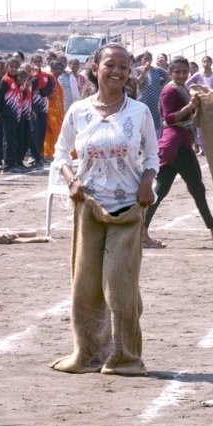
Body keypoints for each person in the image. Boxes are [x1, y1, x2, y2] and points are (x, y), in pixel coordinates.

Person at [49, 43, 159, 376]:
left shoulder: (139, 112)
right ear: (95, 68)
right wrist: (71, 181)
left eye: (124, 66)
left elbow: (152, 156)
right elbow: (60, 153)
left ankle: (126, 357)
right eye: (110, 64)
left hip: (128, 208)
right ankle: (88, 354)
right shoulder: (79, 111)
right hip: (89, 206)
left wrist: (147, 183)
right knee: (86, 286)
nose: (117, 71)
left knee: (119, 285)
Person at [140, 57, 213, 250]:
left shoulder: (181, 89)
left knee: (161, 190)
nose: (181, 75)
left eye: (184, 71)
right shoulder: (171, 91)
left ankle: (141, 232)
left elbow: (190, 121)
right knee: (197, 190)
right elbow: (170, 118)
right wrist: (190, 106)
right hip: (177, 145)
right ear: (171, 73)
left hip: (174, 144)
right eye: (177, 71)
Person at [134, 51, 169, 140]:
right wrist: (144, 72)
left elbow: (168, 76)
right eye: (145, 58)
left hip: (156, 101)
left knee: (156, 121)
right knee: (142, 120)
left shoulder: (157, 70)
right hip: (143, 100)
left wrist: (161, 86)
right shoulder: (137, 70)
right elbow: (137, 82)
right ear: (141, 60)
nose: (147, 61)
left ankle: (156, 142)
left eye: (149, 59)